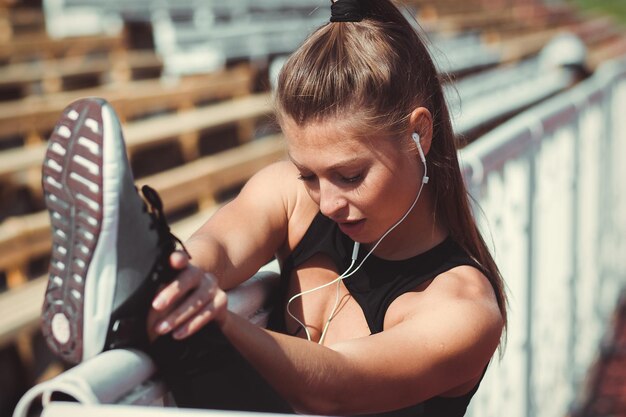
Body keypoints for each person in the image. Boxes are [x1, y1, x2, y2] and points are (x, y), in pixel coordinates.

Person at [40, 0, 506, 415]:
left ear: (418, 134)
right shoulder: (292, 198)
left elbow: (337, 387)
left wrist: (213, 312)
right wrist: (184, 277)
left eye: (350, 176)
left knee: (196, 328)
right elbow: (218, 247)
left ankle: (134, 289)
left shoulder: (464, 308)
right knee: (180, 316)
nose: (327, 202)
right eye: (308, 174)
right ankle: (135, 284)